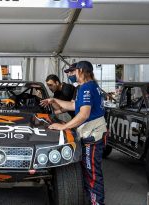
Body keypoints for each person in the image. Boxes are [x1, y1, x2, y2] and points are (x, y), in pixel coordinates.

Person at [40, 61, 107, 205]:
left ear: (81, 70)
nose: (72, 74)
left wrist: (63, 127)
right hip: (92, 134)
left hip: (92, 136)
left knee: (92, 173)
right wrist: (54, 100)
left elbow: (83, 114)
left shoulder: (86, 88)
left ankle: (97, 203)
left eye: (73, 71)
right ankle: (91, 200)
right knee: (89, 171)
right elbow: (73, 105)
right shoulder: (90, 86)